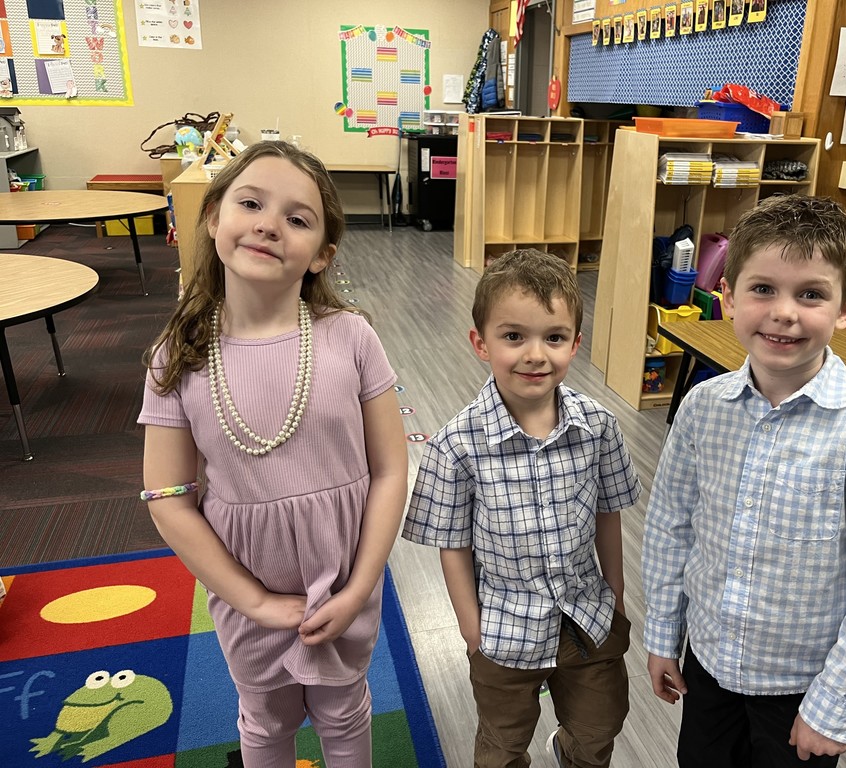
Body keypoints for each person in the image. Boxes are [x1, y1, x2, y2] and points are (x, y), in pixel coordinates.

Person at [138, 141, 407, 768]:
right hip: (245, 589)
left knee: (345, 711)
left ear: (322, 254)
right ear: (213, 216)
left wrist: (359, 587)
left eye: (297, 218)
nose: (268, 225)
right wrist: (253, 600)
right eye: (251, 203)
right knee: (264, 718)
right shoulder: (178, 353)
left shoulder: (351, 337)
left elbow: (392, 470)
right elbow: (168, 497)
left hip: (344, 579)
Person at [642, 195, 846, 767]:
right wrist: (663, 634)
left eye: (811, 294)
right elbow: (671, 527)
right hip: (709, 664)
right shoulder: (702, 407)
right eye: (763, 289)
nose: (784, 312)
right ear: (728, 297)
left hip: (801, 688)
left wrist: (833, 706)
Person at [403, 249, 641, 768]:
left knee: (600, 726)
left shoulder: (598, 427)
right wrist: (472, 630)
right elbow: (452, 545)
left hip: (588, 618)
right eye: (514, 336)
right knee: (502, 743)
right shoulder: (456, 444)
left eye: (554, 337)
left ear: (574, 343)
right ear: (481, 343)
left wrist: (617, 597)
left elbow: (608, 516)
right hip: (504, 629)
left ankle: (570, 750)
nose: (536, 355)